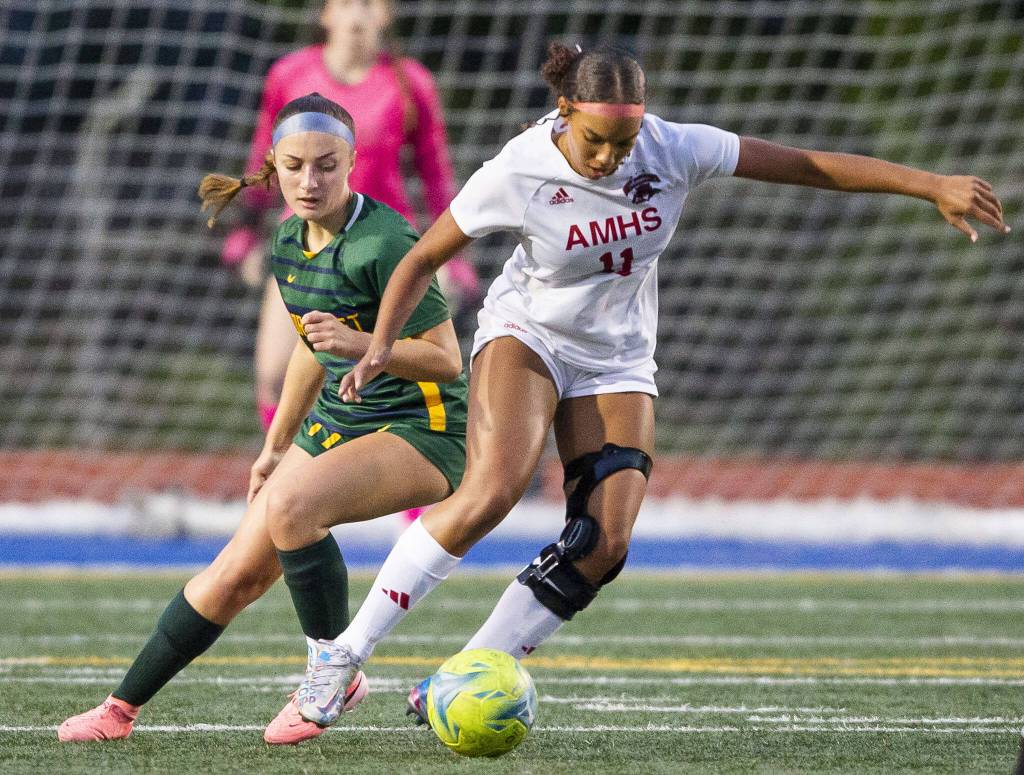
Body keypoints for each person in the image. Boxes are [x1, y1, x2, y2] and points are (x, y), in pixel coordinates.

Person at [268, 42, 1010, 729]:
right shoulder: (520, 169)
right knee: (493, 489)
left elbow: (807, 165)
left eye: (623, 144)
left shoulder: (671, 147)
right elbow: (421, 258)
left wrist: (930, 185)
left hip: (617, 357)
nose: (610, 158)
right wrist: (380, 347)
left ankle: (467, 671)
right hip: (525, 336)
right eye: (596, 141)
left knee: (603, 542)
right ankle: (342, 658)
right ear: (566, 115)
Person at [57, 92, 468, 745]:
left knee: (292, 509)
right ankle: (119, 709)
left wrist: (362, 345)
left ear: (354, 162)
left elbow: (446, 359)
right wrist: (275, 444)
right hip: (339, 418)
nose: (311, 180)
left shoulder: (387, 240)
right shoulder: (286, 241)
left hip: (424, 431)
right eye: (296, 165)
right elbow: (312, 345)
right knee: (232, 573)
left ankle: (335, 671)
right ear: (273, 164)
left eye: (327, 165)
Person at [225, 0, 477, 436]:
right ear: (325, 14)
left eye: (369, 4)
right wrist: (247, 228)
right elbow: (268, 156)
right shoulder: (289, 74)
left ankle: (415, 501)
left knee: (396, 379)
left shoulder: (409, 82)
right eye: (345, 3)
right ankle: (285, 479)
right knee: (274, 375)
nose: (357, 15)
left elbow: (436, 175)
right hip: (308, 246)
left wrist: (451, 255)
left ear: (386, 15)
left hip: (384, 252)